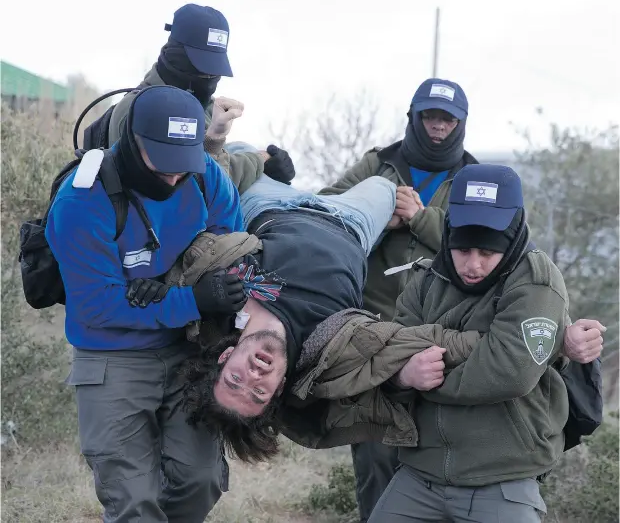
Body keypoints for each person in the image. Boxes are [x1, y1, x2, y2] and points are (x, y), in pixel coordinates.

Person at [127, 169, 603, 464]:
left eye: (235, 381)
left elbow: (185, 251)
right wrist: (555, 344)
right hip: (351, 223)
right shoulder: (337, 353)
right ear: (278, 389)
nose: (252, 377)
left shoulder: (211, 310)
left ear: (227, 356)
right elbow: (440, 343)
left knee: (234, 159)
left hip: (269, 207)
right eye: (258, 393)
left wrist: (171, 288)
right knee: (389, 187)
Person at [48, 85, 247, 523]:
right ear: (134, 143)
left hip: (185, 346)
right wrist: (189, 300)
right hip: (111, 355)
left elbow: (230, 249)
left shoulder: (204, 175)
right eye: (165, 166)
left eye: (185, 165)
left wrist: (183, 286)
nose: (176, 178)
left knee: (200, 480)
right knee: (134, 499)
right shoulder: (80, 202)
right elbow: (98, 307)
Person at [363, 164, 589, 522]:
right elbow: (390, 356)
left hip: (502, 478)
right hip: (421, 473)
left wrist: (426, 376)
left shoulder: (536, 282)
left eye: (487, 252)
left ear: (512, 235)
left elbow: (508, 373)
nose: (473, 264)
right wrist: (404, 377)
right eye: (463, 249)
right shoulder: (426, 278)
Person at [318, 77, 479, 521]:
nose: (438, 127)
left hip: (442, 334)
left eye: (448, 119)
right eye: (430, 116)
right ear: (413, 117)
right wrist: (381, 216)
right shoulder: (379, 164)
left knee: (437, 446)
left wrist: (423, 219)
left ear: (461, 123)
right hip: (371, 331)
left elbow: (487, 247)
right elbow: (326, 210)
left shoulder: (472, 178)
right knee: (373, 451)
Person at [101, 3, 295, 192]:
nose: (208, 79)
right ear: (177, 57)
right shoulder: (138, 110)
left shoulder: (202, 105)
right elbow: (194, 186)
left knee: (241, 147)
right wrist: (259, 161)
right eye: (202, 69)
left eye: (214, 72)